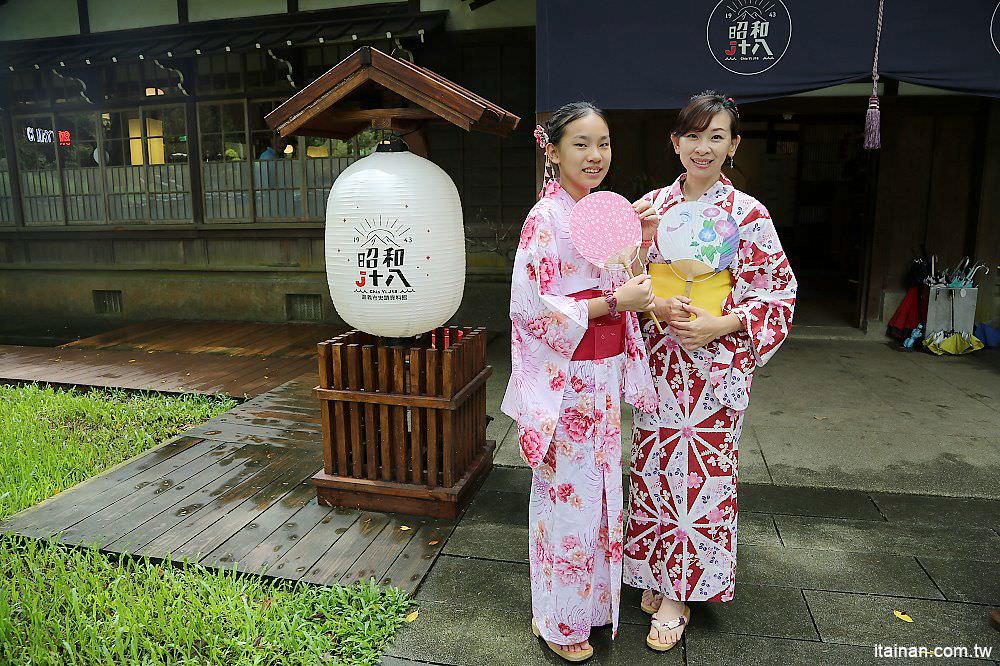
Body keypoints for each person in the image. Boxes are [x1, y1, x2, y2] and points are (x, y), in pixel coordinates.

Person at [623, 91, 797, 651]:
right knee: (651, 470)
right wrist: (654, 304)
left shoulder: (748, 214)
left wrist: (721, 325)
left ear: (733, 145)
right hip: (661, 360)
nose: (703, 148)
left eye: (716, 136)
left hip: (714, 367)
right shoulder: (649, 207)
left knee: (701, 479)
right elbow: (623, 282)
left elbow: (778, 292)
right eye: (693, 136)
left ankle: (679, 592)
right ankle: (654, 570)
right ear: (675, 143)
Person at [501, 101, 658, 662]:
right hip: (566, 379)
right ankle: (558, 620)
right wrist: (615, 299)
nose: (596, 156)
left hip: (602, 376)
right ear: (553, 149)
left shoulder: (597, 211)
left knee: (597, 495)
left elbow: (624, 283)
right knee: (566, 501)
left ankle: (591, 607)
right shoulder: (543, 220)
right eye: (582, 144)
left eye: (605, 144)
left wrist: (636, 247)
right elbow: (532, 309)